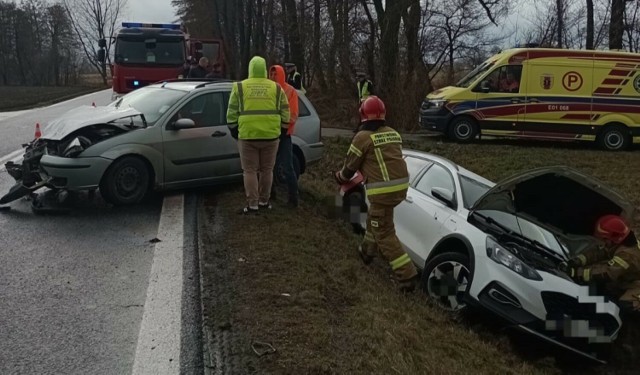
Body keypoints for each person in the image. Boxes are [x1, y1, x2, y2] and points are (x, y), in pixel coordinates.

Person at [333, 96, 419, 292]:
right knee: (375, 218)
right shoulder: (393, 133)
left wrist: (340, 177)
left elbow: (350, 167)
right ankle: (366, 252)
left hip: (382, 190)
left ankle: (407, 275)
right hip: (400, 188)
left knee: (385, 233)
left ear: (363, 114)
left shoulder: (362, 137)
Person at [226, 56, 290, 214]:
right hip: (271, 135)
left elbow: (231, 113)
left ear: (250, 69)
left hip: (247, 135)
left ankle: (252, 204)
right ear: (265, 70)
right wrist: (281, 130)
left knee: (249, 171)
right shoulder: (276, 88)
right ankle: (264, 201)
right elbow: (285, 111)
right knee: (267, 170)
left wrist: (234, 130)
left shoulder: (239, 87)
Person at [563, 214, 640, 313]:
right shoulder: (618, 243)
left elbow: (607, 273)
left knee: (623, 306)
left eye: (604, 239)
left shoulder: (629, 255)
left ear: (615, 238)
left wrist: (576, 273)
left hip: (636, 286)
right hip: (626, 280)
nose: (602, 241)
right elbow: (598, 252)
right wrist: (576, 261)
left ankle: (620, 325)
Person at [269, 64, 300, 207]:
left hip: (284, 135)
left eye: (276, 74)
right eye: (271, 74)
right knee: (269, 167)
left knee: (288, 167)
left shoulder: (290, 91)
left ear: (281, 75)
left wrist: (283, 129)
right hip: (270, 134)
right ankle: (271, 194)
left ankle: (293, 199)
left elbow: (293, 114)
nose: (273, 77)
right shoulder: (268, 90)